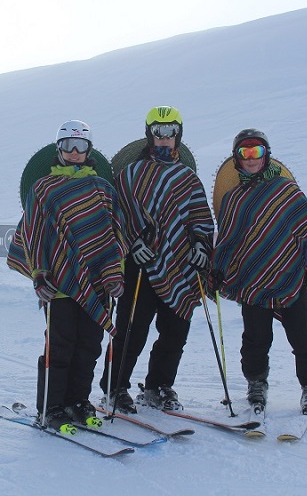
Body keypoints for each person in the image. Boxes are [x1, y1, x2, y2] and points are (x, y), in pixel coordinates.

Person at [210, 128, 307, 414]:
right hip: (251, 280)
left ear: (266, 155)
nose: (252, 158)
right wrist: (218, 269)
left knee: (303, 336)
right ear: (237, 158)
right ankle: (256, 384)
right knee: (255, 339)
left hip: (290, 277)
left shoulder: (286, 191)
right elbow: (229, 240)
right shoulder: (233, 199)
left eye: (257, 151)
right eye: (245, 152)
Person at [7, 120, 125, 431]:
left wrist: (114, 273)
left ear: (89, 151)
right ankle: (50, 407)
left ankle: (78, 401)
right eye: (69, 147)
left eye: (81, 147)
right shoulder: (44, 190)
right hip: (59, 283)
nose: (75, 152)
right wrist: (39, 274)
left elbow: (113, 235)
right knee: (60, 346)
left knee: (89, 345)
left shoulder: (102, 189)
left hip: (98, 282)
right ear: (59, 150)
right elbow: (33, 234)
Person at [100, 106, 215, 413]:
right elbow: (115, 216)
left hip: (179, 266)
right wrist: (132, 243)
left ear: (179, 136)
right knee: (130, 330)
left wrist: (202, 245)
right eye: (159, 132)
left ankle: (159, 386)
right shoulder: (130, 175)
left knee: (175, 330)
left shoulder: (187, 178)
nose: (165, 138)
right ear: (149, 134)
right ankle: (114, 387)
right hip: (139, 265)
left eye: (171, 132)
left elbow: (201, 218)